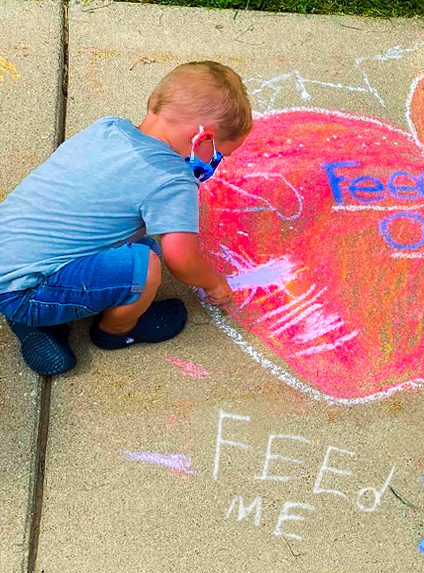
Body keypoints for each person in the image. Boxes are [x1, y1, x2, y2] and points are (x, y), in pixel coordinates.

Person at [0, 61, 251, 376]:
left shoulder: (107, 128)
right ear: (202, 140)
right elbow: (182, 258)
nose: (217, 163)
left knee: (139, 244)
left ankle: (37, 318)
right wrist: (214, 284)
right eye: (221, 154)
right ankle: (116, 331)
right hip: (28, 290)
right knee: (144, 266)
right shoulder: (172, 180)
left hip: (10, 253)